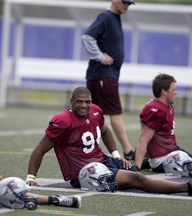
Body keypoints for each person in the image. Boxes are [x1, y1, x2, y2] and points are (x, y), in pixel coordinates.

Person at [26, 86, 192, 197]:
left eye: (87, 102)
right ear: (71, 102)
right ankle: (188, 187)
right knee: (136, 178)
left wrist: (115, 154)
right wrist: (30, 178)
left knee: (134, 172)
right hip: (84, 173)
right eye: (79, 102)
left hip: (102, 161)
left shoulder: (95, 111)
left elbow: (105, 130)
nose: (84, 106)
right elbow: (40, 149)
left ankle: (187, 184)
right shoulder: (63, 121)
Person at [81, 0, 143, 164]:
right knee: (114, 113)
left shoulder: (115, 17)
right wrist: (101, 57)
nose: (126, 6)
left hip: (105, 75)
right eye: (124, 3)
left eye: (129, 4)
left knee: (91, 113)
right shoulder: (106, 16)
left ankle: (83, 146)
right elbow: (87, 37)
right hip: (103, 75)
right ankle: (129, 151)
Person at [134, 73, 192, 177]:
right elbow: (143, 140)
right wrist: (137, 169)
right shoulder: (156, 110)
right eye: (173, 90)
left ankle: (146, 163)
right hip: (164, 160)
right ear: (164, 92)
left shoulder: (167, 105)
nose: (176, 93)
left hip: (170, 152)